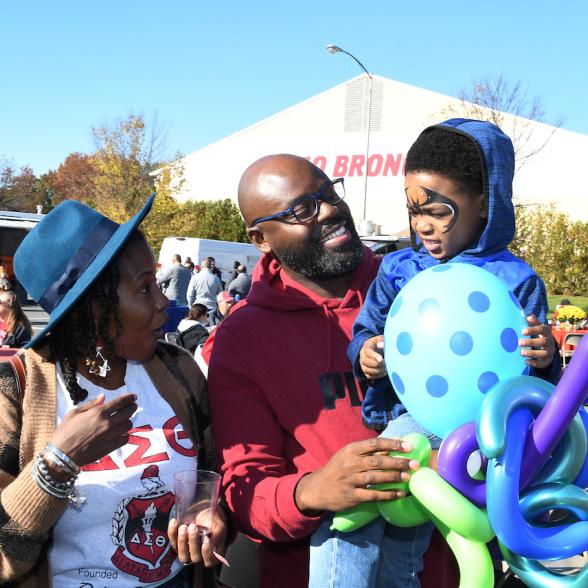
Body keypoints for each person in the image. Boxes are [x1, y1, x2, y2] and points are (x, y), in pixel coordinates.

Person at [334, 118, 559, 586]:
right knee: (380, 534)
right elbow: (367, 330)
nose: (424, 226)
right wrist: (366, 353)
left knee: (392, 536)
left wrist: (544, 358)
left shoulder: (516, 280)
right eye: (415, 212)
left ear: (483, 203)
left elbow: (538, 384)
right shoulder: (398, 269)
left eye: (439, 211)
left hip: (481, 438)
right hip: (411, 420)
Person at [204, 154, 444, 588]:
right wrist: (311, 491)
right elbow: (244, 485)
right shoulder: (240, 338)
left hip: (450, 570)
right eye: (302, 210)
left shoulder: (420, 286)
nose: (331, 210)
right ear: (261, 238)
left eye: (329, 193)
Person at [0, 196, 228, 587]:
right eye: (144, 288)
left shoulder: (179, 370)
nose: (164, 301)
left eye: (157, 283)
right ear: (93, 308)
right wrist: (58, 462)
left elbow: (212, 472)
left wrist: (209, 510)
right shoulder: (15, 388)